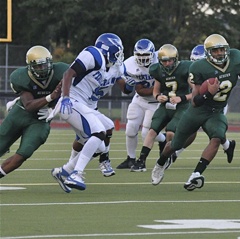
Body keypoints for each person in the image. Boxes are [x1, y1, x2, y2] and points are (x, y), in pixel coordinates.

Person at [150, 34, 240, 190]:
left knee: (217, 137)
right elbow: (194, 101)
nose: (220, 53)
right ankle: (160, 164)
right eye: (216, 51)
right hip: (197, 111)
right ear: (208, 53)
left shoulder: (236, 57)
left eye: (222, 49)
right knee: (174, 144)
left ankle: (195, 175)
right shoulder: (199, 68)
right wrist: (209, 93)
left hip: (217, 111)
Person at [50, 33, 126, 191]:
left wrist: (130, 83)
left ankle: (65, 171)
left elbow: (125, 86)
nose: (119, 56)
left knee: (105, 133)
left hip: (85, 105)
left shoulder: (113, 66)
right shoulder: (93, 55)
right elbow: (68, 73)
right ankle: (76, 174)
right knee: (98, 132)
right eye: (117, 52)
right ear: (108, 50)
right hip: (71, 101)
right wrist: (65, 97)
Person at [0, 46, 66, 179]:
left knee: (24, 153)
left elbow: (73, 94)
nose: (42, 69)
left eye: (44, 65)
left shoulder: (62, 71)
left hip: (40, 120)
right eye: (38, 66)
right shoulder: (21, 77)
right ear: (29, 66)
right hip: (21, 113)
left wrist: (54, 109)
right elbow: (29, 105)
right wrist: (51, 97)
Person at [130, 44, 193, 172]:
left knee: (170, 132)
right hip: (166, 106)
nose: (168, 63)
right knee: (151, 131)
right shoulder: (157, 70)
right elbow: (156, 90)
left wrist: (182, 98)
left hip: (182, 106)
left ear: (176, 59)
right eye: (164, 61)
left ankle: (168, 156)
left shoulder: (185, 68)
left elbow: (195, 92)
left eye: (170, 60)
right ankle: (141, 161)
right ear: (160, 61)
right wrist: (158, 96)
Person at [115, 38, 167, 170]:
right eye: (140, 55)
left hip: (156, 102)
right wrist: (127, 84)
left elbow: (163, 86)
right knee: (130, 128)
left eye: (146, 55)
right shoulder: (128, 64)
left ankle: (163, 139)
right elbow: (127, 90)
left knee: (146, 133)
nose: (143, 59)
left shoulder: (161, 61)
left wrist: (149, 90)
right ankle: (130, 159)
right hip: (139, 99)